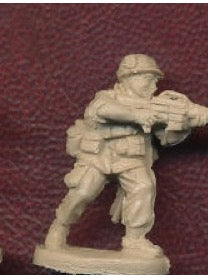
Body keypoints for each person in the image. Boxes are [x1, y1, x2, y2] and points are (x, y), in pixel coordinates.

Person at [43, 54, 175, 258]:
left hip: (131, 157)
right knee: (83, 192)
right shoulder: (106, 97)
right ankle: (60, 227)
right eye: (147, 79)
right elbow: (103, 110)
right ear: (129, 77)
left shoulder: (153, 106)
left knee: (144, 187)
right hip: (99, 155)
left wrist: (178, 128)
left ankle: (135, 240)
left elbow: (165, 138)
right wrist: (137, 115)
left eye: (155, 80)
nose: (153, 85)